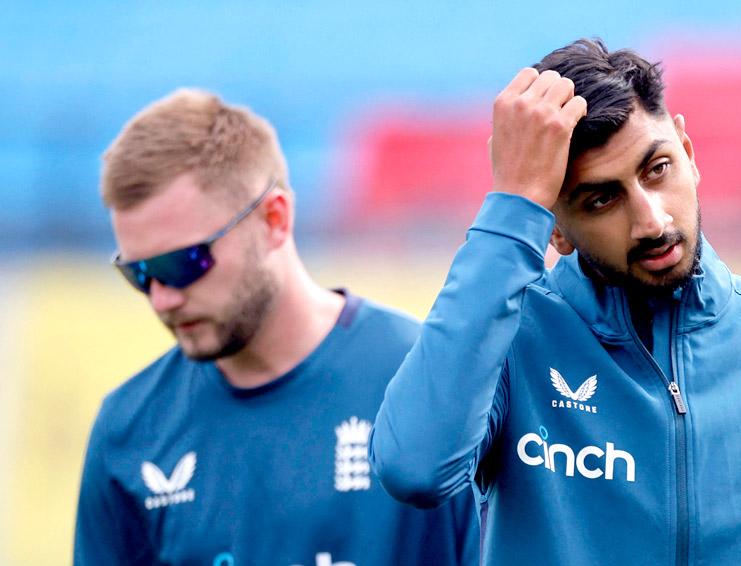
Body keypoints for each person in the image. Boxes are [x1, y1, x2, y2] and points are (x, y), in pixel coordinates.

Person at [369, 38, 741, 564]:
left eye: (657, 169)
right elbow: (415, 468)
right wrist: (513, 209)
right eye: (602, 199)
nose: (652, 221)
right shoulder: (509, 340)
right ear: (555, 231)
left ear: (688, 152)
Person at [74, 89, 479, 566]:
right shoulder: (128, 429)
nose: (162, 298)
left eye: (183, 263)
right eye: (139, 274)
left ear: (274, 219)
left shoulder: (430, 387)